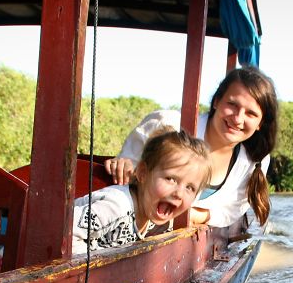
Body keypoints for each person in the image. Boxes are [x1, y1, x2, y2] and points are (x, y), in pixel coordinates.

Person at [105, 66, 278, 228]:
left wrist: (194, 216)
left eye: (251, 113)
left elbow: (232, 210)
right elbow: (129, 167)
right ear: (217, 101)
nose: (238, 119)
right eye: (232, 105)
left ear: (260, 123)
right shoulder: (168, 125)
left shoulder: (254, 159)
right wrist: (123, 166)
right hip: (127, 225)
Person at [72, 129, 212, 255]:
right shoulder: (117, 207)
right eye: (171, 179)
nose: (179, 194)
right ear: (143, 173)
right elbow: (65, 234)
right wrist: (98, 266)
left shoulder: (151, 214)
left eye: (190, 188)